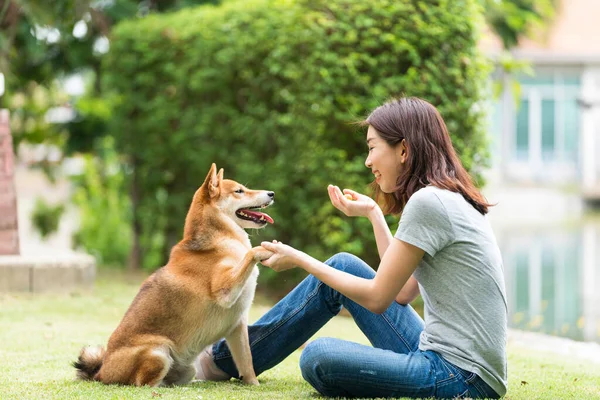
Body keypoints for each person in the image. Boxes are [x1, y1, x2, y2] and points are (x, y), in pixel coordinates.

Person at [195, 97, 507, 399]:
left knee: (319, 356)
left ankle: (219, 362)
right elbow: (402, 291)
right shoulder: (445, 197)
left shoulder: (428, 202)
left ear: (404, 149)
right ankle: (222, 362)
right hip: (458, 366)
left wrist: (301, 259)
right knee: (343, 264)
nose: (368, 161)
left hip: (460, 377)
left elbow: (378, 298)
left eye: (372, 148)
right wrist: (374, 214)